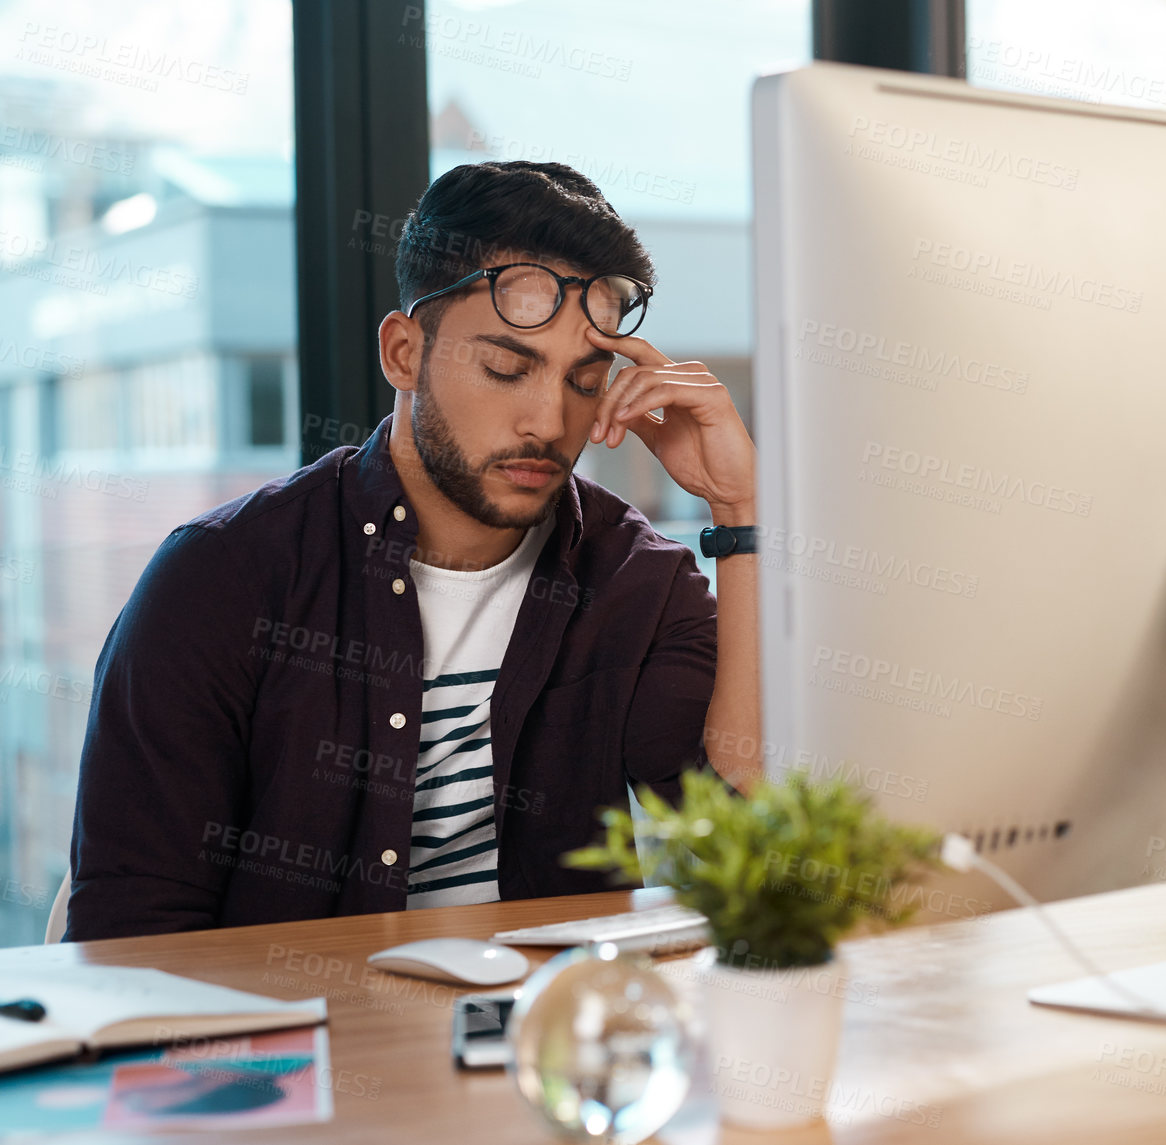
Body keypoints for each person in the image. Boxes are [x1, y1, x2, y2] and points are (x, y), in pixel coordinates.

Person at [65, 161, 761, 939]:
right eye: (505, 367)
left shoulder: (635, 581)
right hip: (296, 1048)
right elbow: (128, 933)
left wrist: (740, 511)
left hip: (552, 1041)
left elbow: (752, 849)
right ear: (403, 353)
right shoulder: (222, 577)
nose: (546, 419)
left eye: (583, 380)